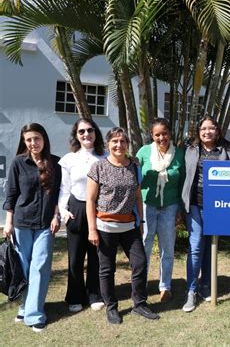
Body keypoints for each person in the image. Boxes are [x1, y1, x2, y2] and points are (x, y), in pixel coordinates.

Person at [86, 127, 158, 324]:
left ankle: (140, 304)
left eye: (123, 141)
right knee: (107, 269)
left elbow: (137, 197)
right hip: (105, 227)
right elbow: (90, 200)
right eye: (115, 141)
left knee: (140, 263)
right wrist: (92, 229)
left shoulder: (134, 166)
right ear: (108, 144)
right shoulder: (98, 167)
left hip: (129, 226)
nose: (119, 145)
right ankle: (111, 307)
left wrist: (141, 221)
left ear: (127, 145)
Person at [3, 123, 61, 333]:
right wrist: (8, 222)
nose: (33, 143)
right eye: (28, 139)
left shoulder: (55, 163)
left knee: (40, 267)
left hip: (46, 224)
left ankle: (35, 315)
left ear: (44, 139)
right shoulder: (18, 162)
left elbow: (58, 194)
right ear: (24, 141)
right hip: (21, 223)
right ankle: (25, 306)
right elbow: (11, 193)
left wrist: (56, 215)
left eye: (36, 138)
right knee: (24, 268)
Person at [181, 115, 230, 312]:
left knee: (210, 247)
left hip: (218, 207)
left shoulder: (229, 152)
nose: (207, 132)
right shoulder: (189, 151)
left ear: (218, 130)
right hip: (195, 205)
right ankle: (191, 290)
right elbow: (183, 177)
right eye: (203, 128)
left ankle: (205, 286)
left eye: (211, 128)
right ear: (198, 132)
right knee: (196, 246)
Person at [58, 118, 106, 313]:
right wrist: (63, 210)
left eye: (90, 130)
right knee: (76, 257)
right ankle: (75, 296)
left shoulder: (105, 157)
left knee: (96, 255)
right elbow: (64, 188)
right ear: (76, 135)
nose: (86, 134)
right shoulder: (68, 159)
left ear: (96, 133)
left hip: (100, 210)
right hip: (76, 209)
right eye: (81, 131)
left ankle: (94, 294)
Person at [136, 118, 185, 302]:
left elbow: (182, 184)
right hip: (147, 206)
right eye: (157, 134)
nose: (161, 137)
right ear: (152, 135)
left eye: (164, 133)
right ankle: (141, 286)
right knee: (144, 248)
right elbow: (134, 179)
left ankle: (165, 286)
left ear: (169, 133)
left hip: (170, 207)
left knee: (168, 249)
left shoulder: (179, 154)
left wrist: (180, 209)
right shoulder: (143, 152)